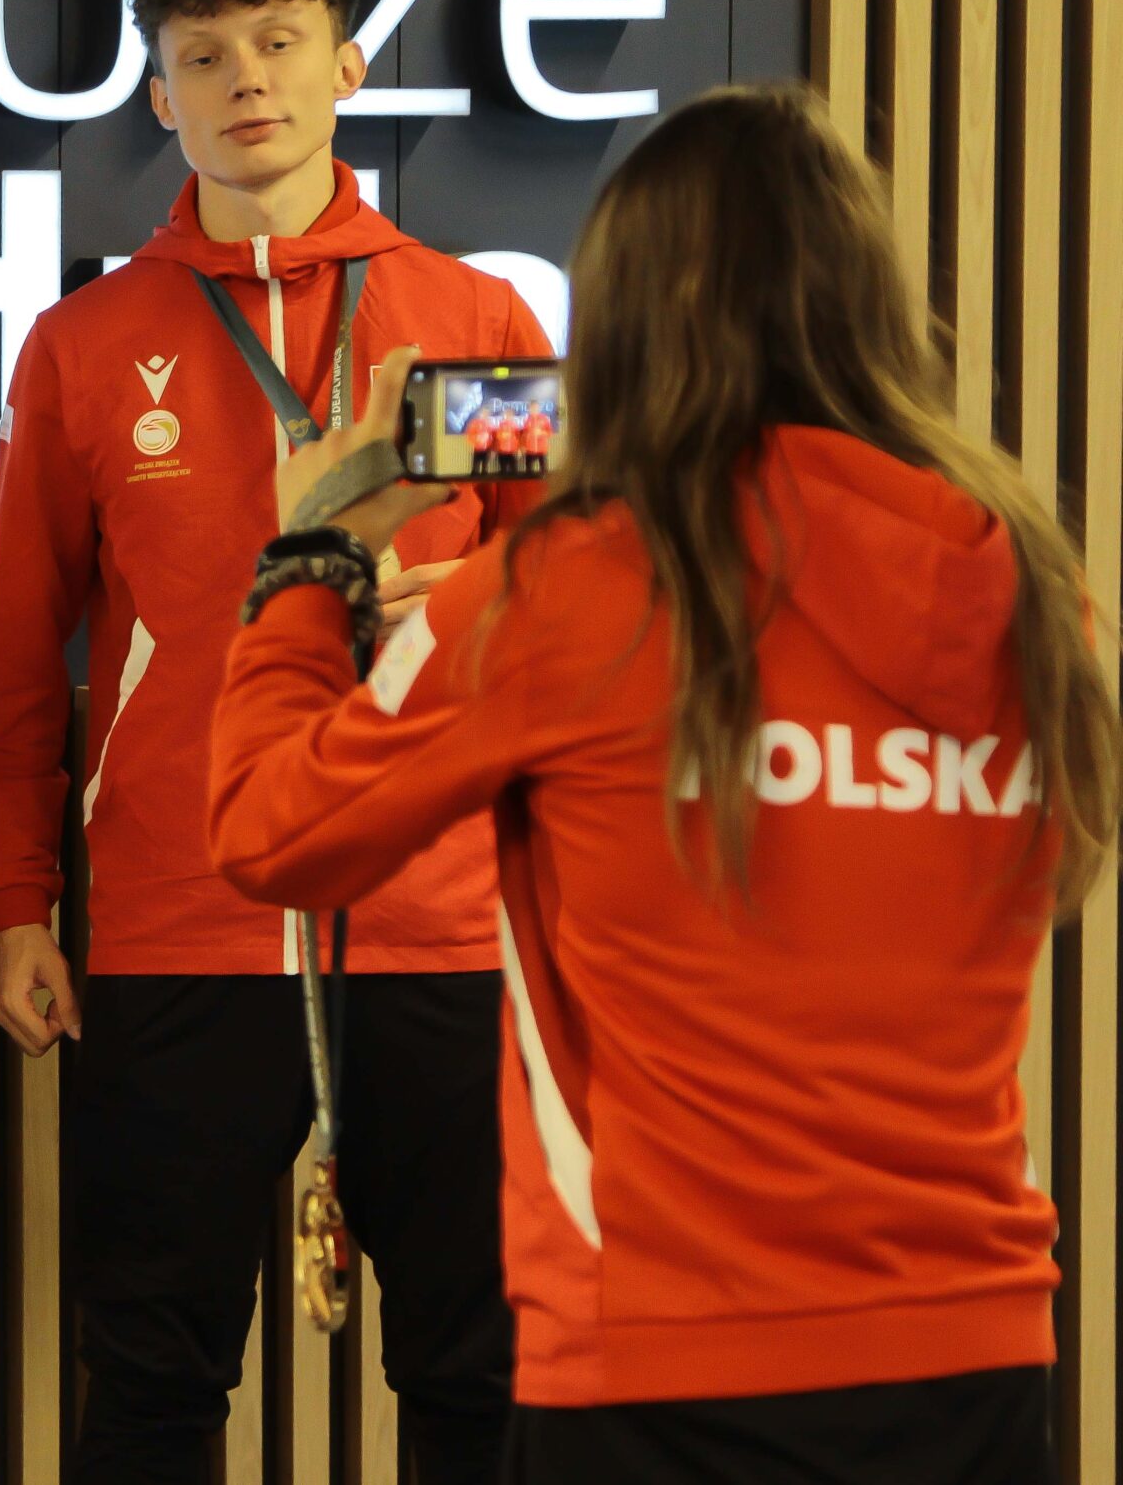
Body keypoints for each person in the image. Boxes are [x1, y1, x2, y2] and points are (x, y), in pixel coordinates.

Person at [208, 83, 1120, 1484]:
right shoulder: (1031, 590)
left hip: (663, 1359)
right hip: (973, 1357)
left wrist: (309, 558)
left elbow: (272, 829)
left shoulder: (575, 584)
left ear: (628, 318)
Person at [0, 0, 550, 1483]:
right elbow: (19, 657)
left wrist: (458, 608)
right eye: (204, 58)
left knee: (482, 1372)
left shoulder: (474, 323)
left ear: (346, 68)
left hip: (440, 921)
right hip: (181, 918)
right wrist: (18, 903)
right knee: (151, 1378)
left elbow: (576, 607)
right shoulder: (88, 345)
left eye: (280, 44)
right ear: (161, 97)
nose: (246, 82)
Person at [467, 398, 502, 476]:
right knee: (476, 465)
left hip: (487, 447)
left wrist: (493, 449)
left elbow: (493, 436)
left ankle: (484, 475)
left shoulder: (490, 424)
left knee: (485, 465)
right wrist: (477, 439)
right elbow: (470, 434)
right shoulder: (475, 423)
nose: (485, 415)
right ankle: (475, 476)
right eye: (484, 413)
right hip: (478, 447)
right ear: (480, 414)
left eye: (487, 413)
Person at [522, 398, 554, 477]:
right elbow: (524, 434)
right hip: (529, 447)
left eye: (535, 407)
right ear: (529, 409)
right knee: (528, 467)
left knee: (543, 466)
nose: (534, 409)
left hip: (541, 447)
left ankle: (544, 476)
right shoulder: (527, 420)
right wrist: (523, 445)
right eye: (532, 408)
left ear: (538, 408)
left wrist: (541, 433)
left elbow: (550, 432)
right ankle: (529, 478)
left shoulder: (544, 419)